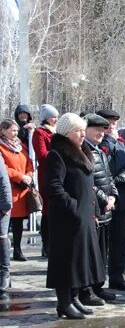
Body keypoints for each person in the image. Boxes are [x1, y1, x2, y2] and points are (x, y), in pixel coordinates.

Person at [45, 113, 105, 319]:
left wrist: (92, 210)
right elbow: (53, 187)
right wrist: (73, 207)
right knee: (66, 261)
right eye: (78, 131)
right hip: (67, 218)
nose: (82, 134)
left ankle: (75, 297)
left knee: (80, 261)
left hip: (84, 216)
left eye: (82, 130)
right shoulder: (58, 154)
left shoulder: (82, 151)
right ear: (66, 132)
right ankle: (64, 302)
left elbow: (88, 186)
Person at [79, 114, 118, 305]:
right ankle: (88, 289)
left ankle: (98, 287)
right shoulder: (84, 151)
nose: (101, 133)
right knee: (92, 254)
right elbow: (89, 183)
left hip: (105, 209)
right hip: (95, 208)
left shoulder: (100, 151)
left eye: (103, 130)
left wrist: (113, 195)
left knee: (102, 252)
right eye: (97, 130)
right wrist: (104, 199)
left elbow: (108, 178)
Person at [96, 110, 125, 292]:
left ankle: (117, 276)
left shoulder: (118, 142)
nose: (112, 127)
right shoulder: (98, 145)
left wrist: (124, 173)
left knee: (119, 240)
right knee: (103, 243)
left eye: (113, 123)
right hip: (103, 198)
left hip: (120, 196)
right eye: (108, 124)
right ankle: (98, 281)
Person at [0, 120, 34, 262]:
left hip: (22, 191)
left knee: (19, 223)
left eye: (16, 130)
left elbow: (30, 163)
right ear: (3, 131)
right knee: (5, 225)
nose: (15, 133)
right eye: (13, 130)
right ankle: (4, 253)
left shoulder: (21, 146)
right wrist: (19, 176)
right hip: (8, 189)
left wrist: (29, 176)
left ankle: (18, 250)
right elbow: (4, 168)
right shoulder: (1, 148)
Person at [32, 104, 59, 258]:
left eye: (56, 116)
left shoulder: (56, 132)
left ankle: (55, 242)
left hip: (59, 173)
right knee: (48, 211)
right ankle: (46, 244)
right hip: (47, 174)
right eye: (52, 117)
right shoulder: (40, 133)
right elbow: (42, 155)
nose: (55, 119)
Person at [0, 154, 12, 300]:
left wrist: (6, 204)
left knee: (2, 237)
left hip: (2, 205)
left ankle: (5, 273)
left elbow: (3, 180)